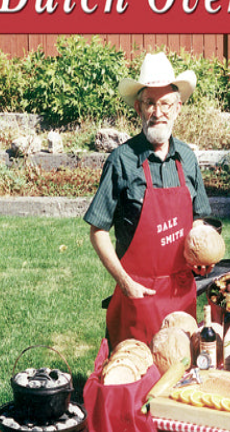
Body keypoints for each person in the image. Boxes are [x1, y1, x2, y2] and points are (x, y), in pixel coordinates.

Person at [84, 51, 213, 349]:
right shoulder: (122, 160)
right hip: (138, 296)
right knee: (134, 371)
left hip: (181, 295)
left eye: (166, 103)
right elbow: (98, 231)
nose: (158, 112)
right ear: (138, 108)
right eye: (150, 103)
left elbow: (199, 220)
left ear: (178, 108)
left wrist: (202, 257)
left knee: (179, 369)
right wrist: (125, 282)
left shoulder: (187, 159)